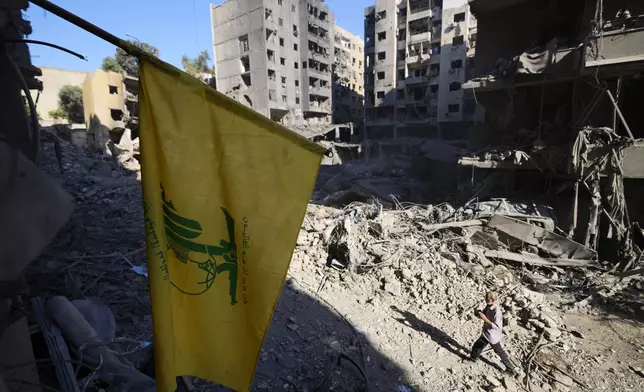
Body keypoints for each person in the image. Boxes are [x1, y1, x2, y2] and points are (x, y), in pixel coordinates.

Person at [469, 291, 516, 375]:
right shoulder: (489, 305)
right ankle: (473, 359)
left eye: (488, 298)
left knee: (496, 350)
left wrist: (484, 318)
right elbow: (484, 314)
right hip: (488, 332)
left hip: (492, 335)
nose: (486, 299)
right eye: (486, 298)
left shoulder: (497, 312)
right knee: (479, 347)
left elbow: (496, 326)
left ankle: (510, 369)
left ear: (493, 299)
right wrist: (479, 313)